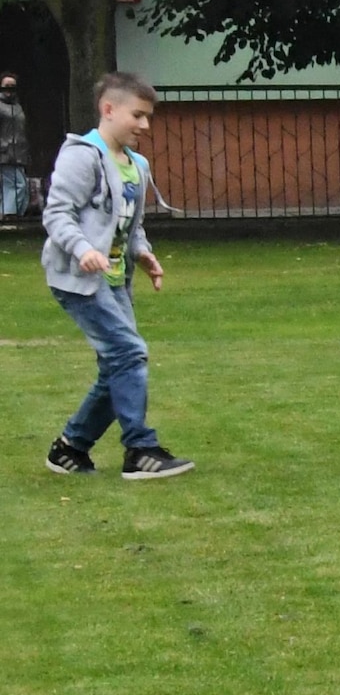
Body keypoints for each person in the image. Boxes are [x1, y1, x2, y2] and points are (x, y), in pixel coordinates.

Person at [41, 72, 195, 480]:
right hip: (77, 280)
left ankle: (71, 447)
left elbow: (129, 224)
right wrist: (83, 250)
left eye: (149, 117)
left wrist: (142, 254)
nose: (146, 125)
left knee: (118, 365)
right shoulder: (82, 155)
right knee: (128, 353)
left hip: (114, 279)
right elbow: (57, 214)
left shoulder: (136, 164)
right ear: (108, 110)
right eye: (138, 116)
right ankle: (140, 449)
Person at [0, 72, 28, 218]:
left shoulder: (17, 106)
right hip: (4, 153)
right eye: (6, 86)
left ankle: (12, 214)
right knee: (17, 185)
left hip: (19, 153)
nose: (9, 89)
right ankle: (8, 216)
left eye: (12, 86)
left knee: (18, 185)